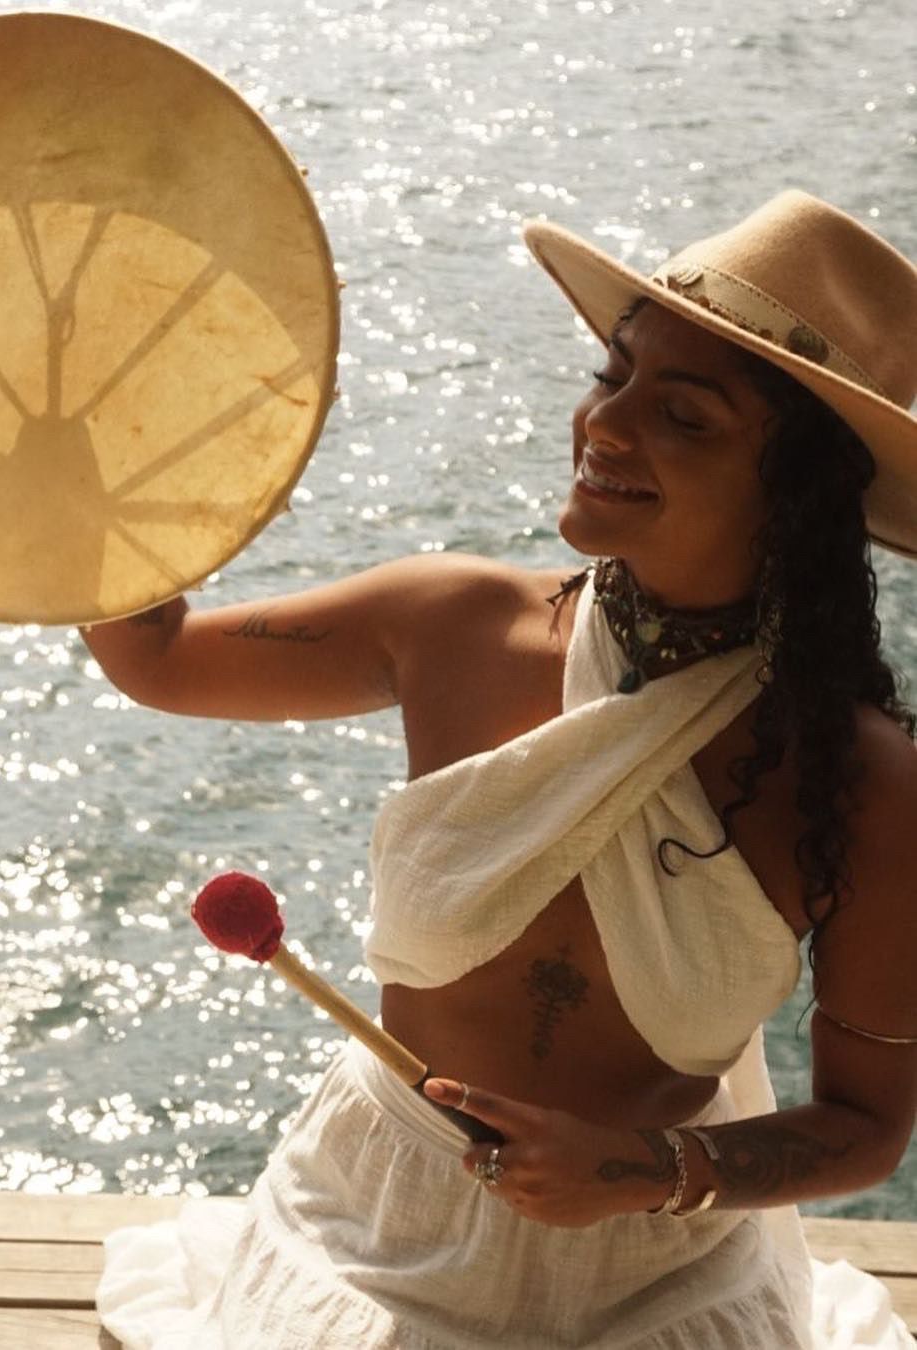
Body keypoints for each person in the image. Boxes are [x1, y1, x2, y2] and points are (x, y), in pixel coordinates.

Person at [87, 190, 917, 1348]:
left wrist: (647, 1169)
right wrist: (76, 477)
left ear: (800, 495)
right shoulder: (450, 622)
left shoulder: (863, 780)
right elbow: (160, 658)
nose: (605, 426)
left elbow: (866, 1126)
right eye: (609, 376)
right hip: (371, 1229)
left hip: (662, 1274)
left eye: (682, 415)